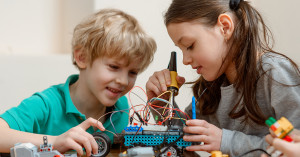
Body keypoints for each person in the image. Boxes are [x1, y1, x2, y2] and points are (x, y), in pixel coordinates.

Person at [146, 0, 300, 156]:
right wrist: (162, 104)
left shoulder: (274, 72)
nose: (185, 60)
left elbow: (294, 145)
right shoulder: (212, 87)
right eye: (181, 50)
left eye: (190, 45)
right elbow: (184, 137)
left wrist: (226, 141)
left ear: (225, 27)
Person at [0, 8, 156, 156]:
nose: (123, 81)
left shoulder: (120, 108)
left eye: (133, 72)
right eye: (114, 67)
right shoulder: (47, 104)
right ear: (82, 57)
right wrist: (55, 142)